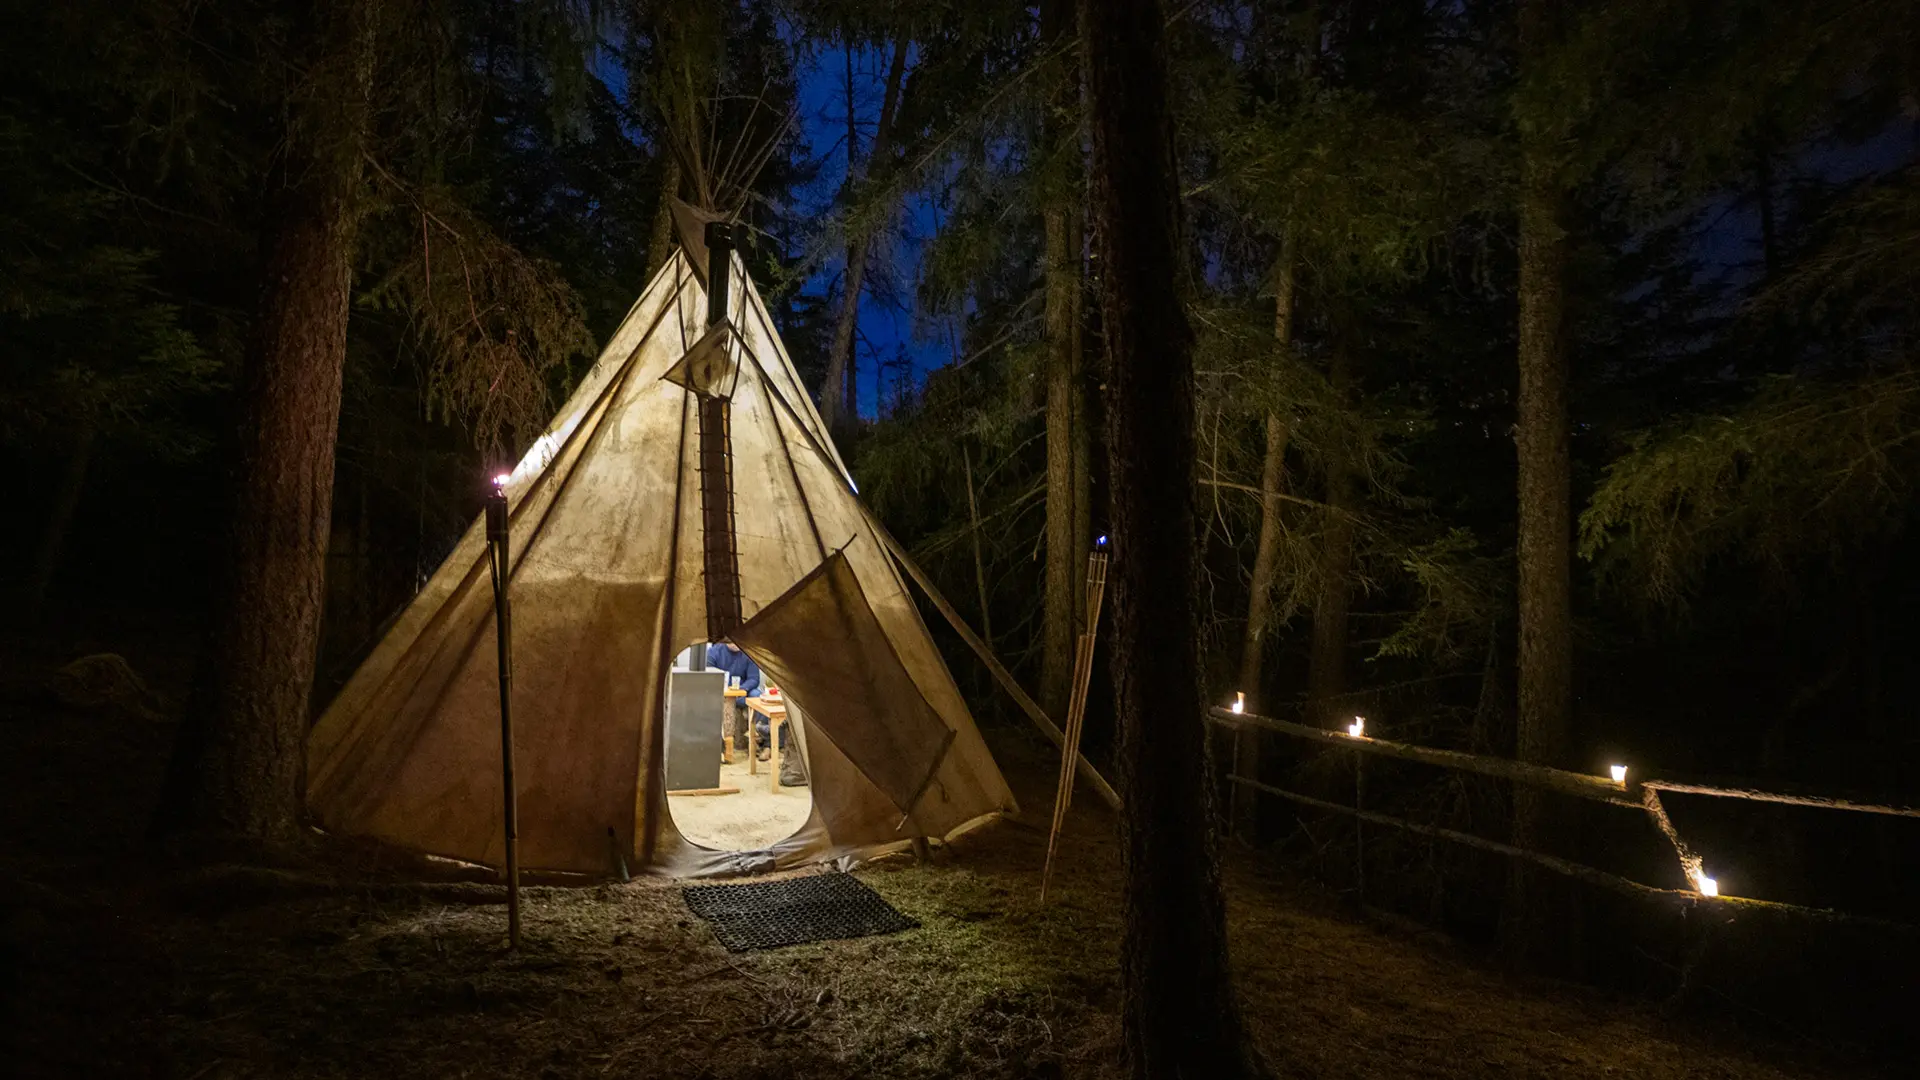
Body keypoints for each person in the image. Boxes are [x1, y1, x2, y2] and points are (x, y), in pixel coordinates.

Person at [706, 641, 759, 757]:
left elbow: (754, 678)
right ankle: (726, 744)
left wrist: (742, 689)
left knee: (757, 696)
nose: (735, 643)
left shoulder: (749, 652)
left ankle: (760, 738)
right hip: (720, 693)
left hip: (743, 693)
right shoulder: (714, 652)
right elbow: (708, 675)